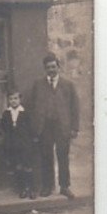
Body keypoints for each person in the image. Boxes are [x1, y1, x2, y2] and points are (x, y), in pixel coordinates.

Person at [27, 52, 80, 198]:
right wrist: (36, 126)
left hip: (63, 126)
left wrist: (74, 128)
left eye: (53, 66)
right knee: (46, 156)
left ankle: (64, 186)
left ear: (58, 67)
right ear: (45, 69)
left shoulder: (68, 85)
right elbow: (32, 106)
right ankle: (47, 186)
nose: (51, 70)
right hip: (45, 126)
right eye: (48, 67)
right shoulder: (38, 84)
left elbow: (75, 108)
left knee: (63, 156)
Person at [1, 90, 35, 199]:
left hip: (25, 144)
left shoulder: (25, 113)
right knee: (18, 166)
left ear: (20, 99)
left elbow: (30, 129)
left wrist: (30, 141)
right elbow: (5, 129)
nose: (13, 101)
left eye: (15, 98)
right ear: (8, 100)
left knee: (28, 166)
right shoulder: (6, 114)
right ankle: (22, 189)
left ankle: (31, 189)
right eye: (11, 99)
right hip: (13, 145)